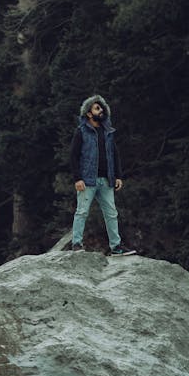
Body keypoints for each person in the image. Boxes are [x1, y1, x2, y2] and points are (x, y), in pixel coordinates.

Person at [70, 94, 135, 255]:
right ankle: (76, 244)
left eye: (102, 108)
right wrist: (77, 178)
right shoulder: (81, 132)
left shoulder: (108, 132)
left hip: (107, 180)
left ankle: (116, 248)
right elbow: (73, 156)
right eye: (97, 108)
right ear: (88, 113)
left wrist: (118, 176)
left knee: (112, 214)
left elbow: (115, 155)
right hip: (87, 180)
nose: (101, 110)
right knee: (82, 212)